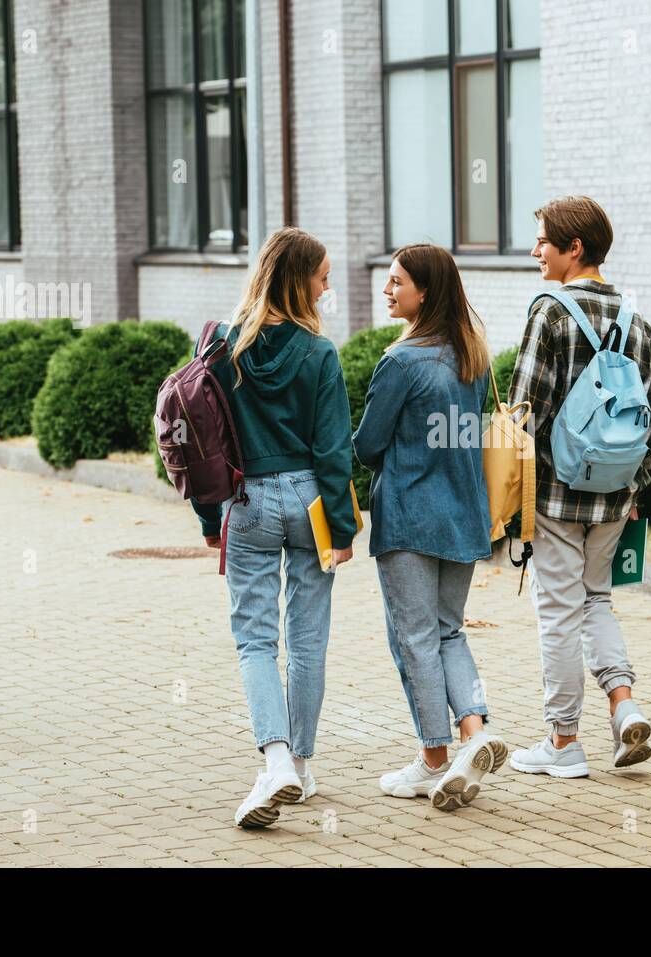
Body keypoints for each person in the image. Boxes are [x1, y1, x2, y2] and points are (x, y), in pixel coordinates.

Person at [191, 227, 358, 826]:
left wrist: (211, 519)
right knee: (308, 638)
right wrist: (342, 528)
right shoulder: (320, 353)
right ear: (299, 280)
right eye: (322, 275)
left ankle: (278, 760)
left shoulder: (222, 347)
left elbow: (202, 444)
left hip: (247, 500)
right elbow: (335, 451)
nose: (328, 285)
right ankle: (304, 767)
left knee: (256, 640)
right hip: (309, 501)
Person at [506, 196, 651, 778]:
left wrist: (509, 498)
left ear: (574, 248)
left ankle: (564, 740)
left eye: (543, 241)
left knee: (559, 613)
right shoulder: (635, 320)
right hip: (616, 491)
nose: (534, 251)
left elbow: (523, 414)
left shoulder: (550, 313)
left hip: (555, 495)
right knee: (597, 600)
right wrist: (635, 489)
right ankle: (624, 706)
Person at [354, 243, 508, 811]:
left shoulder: (401, 362)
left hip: (411, 517)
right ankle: (474, 736)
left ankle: (433, 758)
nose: (387, 290)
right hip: (464, 515)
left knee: (414, 639)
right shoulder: (472, 356)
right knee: (448, 632)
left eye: (397, 282)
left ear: (426, 291)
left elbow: (369, 446)